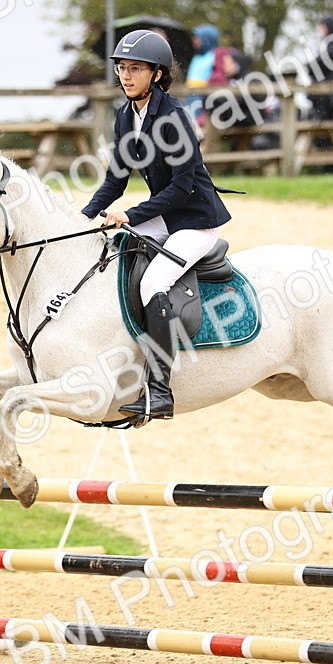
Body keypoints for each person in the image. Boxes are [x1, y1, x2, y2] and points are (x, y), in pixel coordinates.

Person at [81, 29, 233, 422]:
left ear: (157, 74)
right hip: (165, 218)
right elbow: (116, 180)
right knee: (113, 253)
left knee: (153, 282)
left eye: (135, 69)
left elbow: (183, 188)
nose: (126, 76)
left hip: (196, 222)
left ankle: (161, 391)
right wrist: (83, 218)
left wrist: (131, 215)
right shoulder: (124, 116)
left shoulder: (175, 118)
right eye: (122, 69)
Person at [185, 24, 224, 127]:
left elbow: (218, 78)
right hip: (190, 97)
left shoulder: (216, 55)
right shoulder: (196, 57)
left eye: (197, 38)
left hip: (204, 99)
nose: (194, 41)